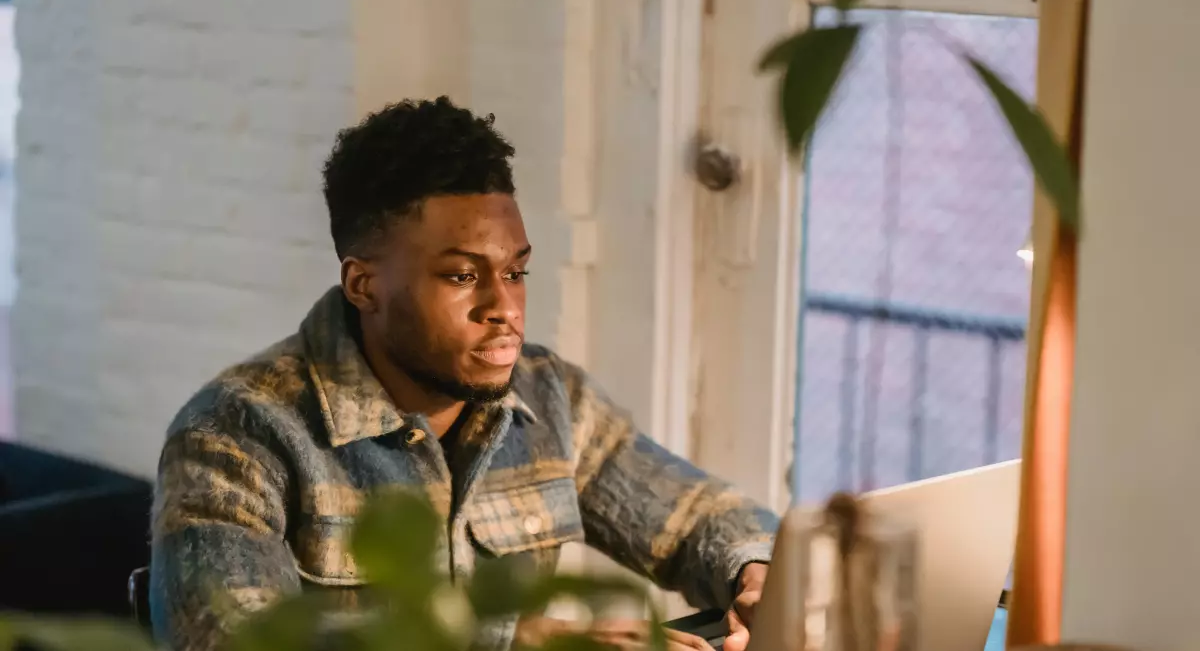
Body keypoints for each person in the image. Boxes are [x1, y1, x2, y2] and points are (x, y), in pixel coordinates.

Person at [150, 97, 779, 651]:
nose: (504, 309)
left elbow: (699, 516)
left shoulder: (550, 397)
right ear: (363, 284)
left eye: (515, 272)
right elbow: (230, 638)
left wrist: (757, 572)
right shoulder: (234, 432)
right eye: (462, 276)